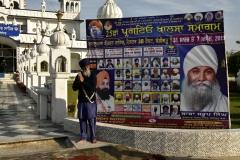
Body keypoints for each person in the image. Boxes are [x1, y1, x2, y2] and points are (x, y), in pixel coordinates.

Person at [181, 45, 228, 112]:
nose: (202, 78)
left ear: (214, 74)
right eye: (195, 71)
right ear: (187, 75)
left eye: (208, 72)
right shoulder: (176, 103)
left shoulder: (224, 104)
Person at [72, 58, 97, 144]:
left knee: (91, 119)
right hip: (82, 101)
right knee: (82, 119)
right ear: (82, 68)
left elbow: (92, 87)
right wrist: (78, 82)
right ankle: (83, 137)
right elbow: (74, 88)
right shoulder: (79, 76)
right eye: (84, 67)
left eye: (87, 66)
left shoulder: (93, 75)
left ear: (89, 66)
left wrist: (83, 82)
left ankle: (93, 137)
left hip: (90, 101)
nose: (86, 68)